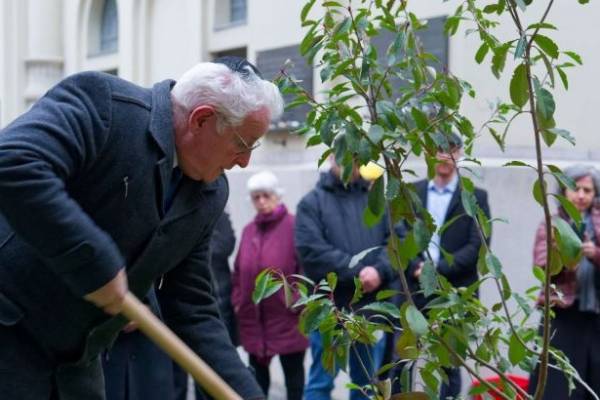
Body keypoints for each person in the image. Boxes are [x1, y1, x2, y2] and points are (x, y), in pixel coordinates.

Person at [0, 56, 283, 400]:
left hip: (75, 365)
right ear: (202, 118)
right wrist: (93, 262)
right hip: (10, 332)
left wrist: (246, 394)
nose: (245, 162)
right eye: (243, 144)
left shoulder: (209, 193)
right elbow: (14, 160)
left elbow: (192, 309)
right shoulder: (104, 105)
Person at [295, 157, 394, 400]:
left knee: (368, 384)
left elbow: (396, 242)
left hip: (370, 308)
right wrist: (360, 273)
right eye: (342, 155)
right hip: (328, 308)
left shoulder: (377, 201)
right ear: (331, 157)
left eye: (355, 156)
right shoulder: (312, 203)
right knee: (321, 381)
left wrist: (379, 270)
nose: (349, 161)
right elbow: (312, 251)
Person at [403, 134, 490, 399]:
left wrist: (436, 270)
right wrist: (417, 267)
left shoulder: (474, 196)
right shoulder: (411, 193)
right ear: (429, 153)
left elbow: (479, 244)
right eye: (440, 151)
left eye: (452, 151)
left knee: (450, 362)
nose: (445, 157)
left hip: (457, 292)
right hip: (414, 290)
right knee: (406, 362)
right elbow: (398, 236)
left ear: (460, 154)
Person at [232, 170, 308, 400]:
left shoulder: (295, 226)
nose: (261, 201)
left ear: (277, 196)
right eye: (256, 197)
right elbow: (238, 272)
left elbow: (305, 271)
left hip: (289, 321)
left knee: (294, 384)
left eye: (266, 195)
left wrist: (296, 303)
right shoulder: (248, 231)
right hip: (254, 322)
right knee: (257, 386)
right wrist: (239, 301)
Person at [528, 164, 600, 399]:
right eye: (575, 188)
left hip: (595, 318)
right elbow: (541, 266)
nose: (581, 195)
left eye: (587, 190)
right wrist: (567, 254)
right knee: (557, 387)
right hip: (563, 316)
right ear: (564, 191)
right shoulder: (552, 222)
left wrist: (595, 254)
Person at [173, 210, 238, 400]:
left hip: (216, 303)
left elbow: (225, 244)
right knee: (177, 373)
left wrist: (193, 248)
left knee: (210, 371)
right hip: (179, 304)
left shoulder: (217, 214)